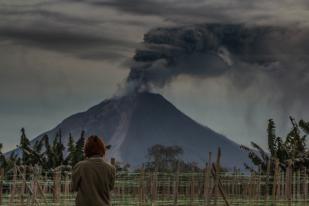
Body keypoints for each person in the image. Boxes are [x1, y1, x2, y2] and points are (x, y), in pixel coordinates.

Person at [72, 135, 116, 206]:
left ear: (87, 149)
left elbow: (74, 187)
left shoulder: (80, 166)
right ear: (102, 149)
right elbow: (110, 188)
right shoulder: (111, 168)